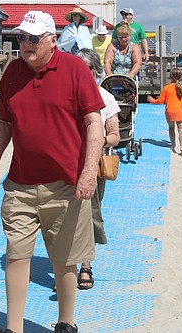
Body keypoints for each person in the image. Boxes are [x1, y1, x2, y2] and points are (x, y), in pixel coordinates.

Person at [0, 10, 104, 333]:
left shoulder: (76, 69)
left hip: (66, 184)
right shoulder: (12, 73)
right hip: (20, 184)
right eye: (21, 37)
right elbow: (4, 122)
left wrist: (89, 171)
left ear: (52, 40)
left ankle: (66, 323)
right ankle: (13, 328)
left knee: (64, 259)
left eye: (33, 38)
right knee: (16, 255)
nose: (26, 44)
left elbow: (95, 124)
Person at [74, 48, 120, 291]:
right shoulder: (66, 95)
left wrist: (97, 140)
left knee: (88, 214)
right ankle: (68, 269)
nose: (82, 72)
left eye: (86, 68)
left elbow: (115, 136)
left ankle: (85, 265)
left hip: (93, 164)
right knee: (67, 217)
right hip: (67, 162)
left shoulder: (106, 98)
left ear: (94, 71)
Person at [147, 67, 182, 156]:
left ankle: (173, 145)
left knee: (171, 128)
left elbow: (160, 101)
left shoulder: (166, 88)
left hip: (169, 111)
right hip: (179, 111)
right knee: (181, 129)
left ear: (170, 77)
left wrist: (151, 100)